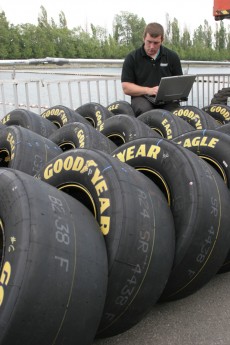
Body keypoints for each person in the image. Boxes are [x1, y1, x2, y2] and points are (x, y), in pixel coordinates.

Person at [121, 22, 183, 116]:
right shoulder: (132, 58)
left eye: (156, 43)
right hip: (142, 98)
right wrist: (148, 90)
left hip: (167, 100)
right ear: (144, 38)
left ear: (162, 40)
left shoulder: (172, 57)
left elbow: (179, 83)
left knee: (175, 113)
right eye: (149, 42)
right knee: (146, 111)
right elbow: (126, 88)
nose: (152, 46)